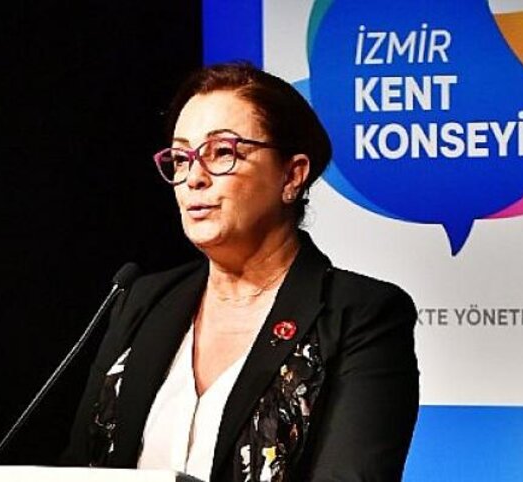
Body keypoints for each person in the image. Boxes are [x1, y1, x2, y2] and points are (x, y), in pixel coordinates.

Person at [63, 62, 419, 482]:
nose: (194, 178)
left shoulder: (362, 315)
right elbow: (76, 468)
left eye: (222, 153)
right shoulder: (142, 302)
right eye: (181, 158)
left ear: (292, 175)